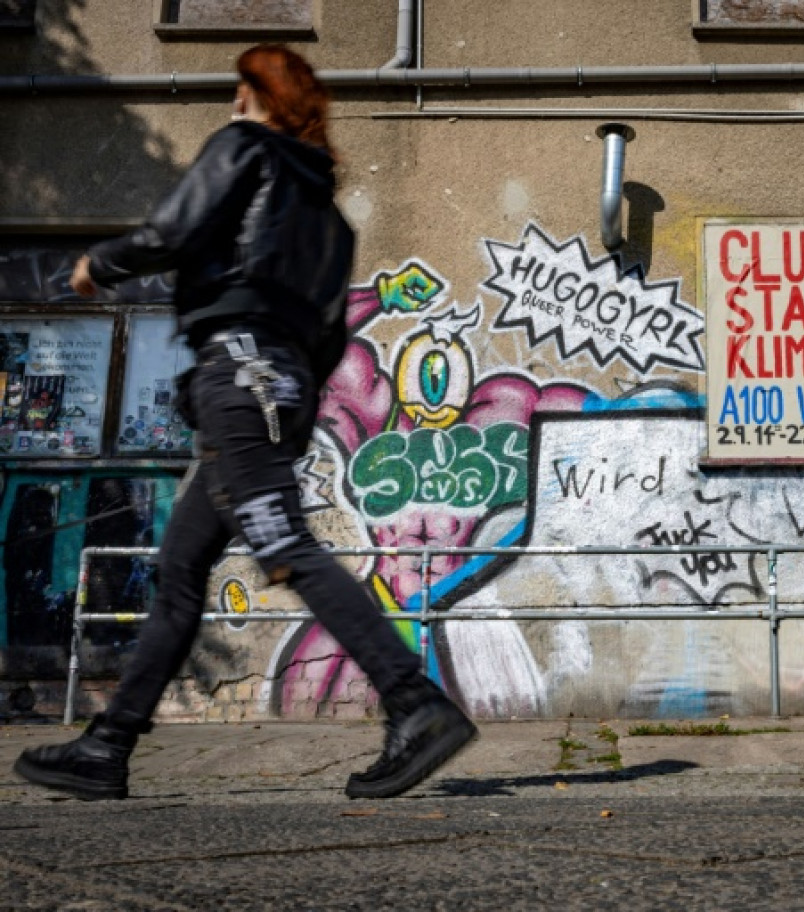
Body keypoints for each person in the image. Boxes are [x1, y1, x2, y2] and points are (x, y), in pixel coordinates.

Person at [13, 45, 477, 802]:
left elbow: (174, 230)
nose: (232, 104)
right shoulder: (330, 221)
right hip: (272, 390)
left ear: (259, 96)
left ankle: (415, 703)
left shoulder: (243, 149)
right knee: (181, 573)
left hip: (237, 376)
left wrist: (101, 262)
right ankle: (108, 746)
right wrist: (283, 423)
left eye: (240, 91)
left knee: (285, 547)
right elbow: (327, 341)